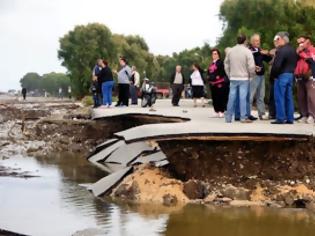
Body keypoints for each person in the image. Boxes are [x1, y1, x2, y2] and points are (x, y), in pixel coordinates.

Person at [224, 34, 256, 123]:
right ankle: (243, 117)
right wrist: (251, 75)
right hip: (244, 78)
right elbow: (251, 66)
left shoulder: (231, 51)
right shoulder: (247, 51)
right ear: (245, 41)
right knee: (243, 97)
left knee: (231, 97)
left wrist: (229, 75)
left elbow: (226, 64)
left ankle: (228, 118)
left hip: (233, 77)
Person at [270, 32, 298, 124]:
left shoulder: (281, 50)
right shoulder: (293, 50)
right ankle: (290, 118)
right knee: (289, 97)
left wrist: (273, 76)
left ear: (282, 39)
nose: (276, 42)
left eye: (278, 39)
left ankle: (280, 118)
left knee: (279, 97)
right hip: (290, 75)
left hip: (281, 75)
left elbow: (276, 65)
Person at [249, 34, 273, 120]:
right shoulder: (250, 50)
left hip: (261, 76)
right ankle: (247, 114)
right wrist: (261, 52)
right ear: (252, 42)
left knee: (261, 96)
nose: (258, 42)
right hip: (253, 76)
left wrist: (270, 54)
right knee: (250, 96)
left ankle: (262, 114)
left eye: (258, 40)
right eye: (256, 40)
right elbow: (252, 55)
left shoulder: (259, 50)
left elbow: (268, 60)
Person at [295, 35, 315, 124]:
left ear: (308, 41)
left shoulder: (312, 50)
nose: (300, 44)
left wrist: (301, 52)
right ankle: (304, 114)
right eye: (299, 43)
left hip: (310, 76)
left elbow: (311, 60)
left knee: (311, 96)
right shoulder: (298, 51)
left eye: (302, 42)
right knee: (301, 96)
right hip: (299, 76)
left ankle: (312, 115)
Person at [208, 48, 229, 117]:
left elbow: (222, 72)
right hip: (212, 83)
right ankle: (216, 111)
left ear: (218, 55)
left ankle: (221, 111)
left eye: (215, 54)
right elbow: (209, 72)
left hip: (219, 83)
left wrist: (216, 78)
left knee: (221, 97)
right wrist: (209, 78)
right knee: (214, 97)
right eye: (213, 54)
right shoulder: (211, 64)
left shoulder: (221, 62)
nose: (214, 55)